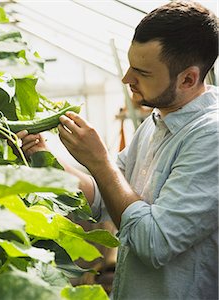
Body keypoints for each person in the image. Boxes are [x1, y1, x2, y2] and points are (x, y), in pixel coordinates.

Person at [17, 1, 218, 299]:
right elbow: (104, 199)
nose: (126, 79)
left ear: (188, 78)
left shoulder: (210, 137)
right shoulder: (155, 122)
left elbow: (155, 242)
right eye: (129, 65)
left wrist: (99, 161)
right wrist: (48, 157)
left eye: (142, 72)